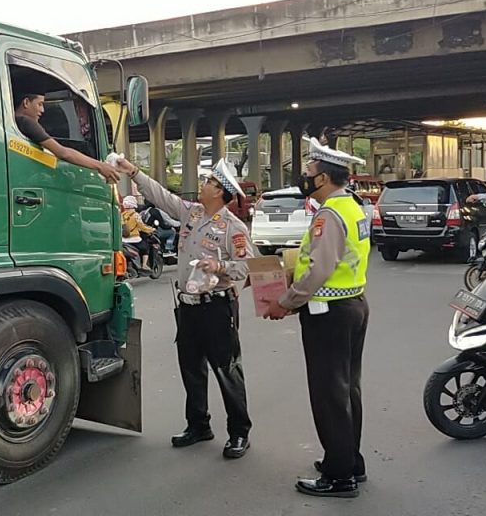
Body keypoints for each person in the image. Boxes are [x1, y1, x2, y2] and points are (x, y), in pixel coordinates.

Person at [113, 156, 254, 459]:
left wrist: (218, 266)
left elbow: (246, 268)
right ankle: (198, 424)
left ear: (220, 191)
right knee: (191, 367)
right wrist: (134, 172)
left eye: (209, 182)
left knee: (227, 370)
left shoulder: (233, 227)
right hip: (188, 305)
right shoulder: (191, 214)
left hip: (217, 307)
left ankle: (239, 432)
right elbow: (161, 196)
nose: (202, 185)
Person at [261, 137, 370, 499]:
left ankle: (340, 477)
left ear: (323, 178)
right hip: (352, 304)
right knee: (347, 388)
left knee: (329, 394)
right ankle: (349, 461)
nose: (304, 178)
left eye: (308, 172)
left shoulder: (329, 214)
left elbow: (318, 270)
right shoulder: (354, 206)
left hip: (329, 313)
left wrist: (286, 302)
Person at [13, 91, 120, 183]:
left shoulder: (15, 123)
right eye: (40, 104)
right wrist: (100, 166)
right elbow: (63, 153)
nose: (43, 110)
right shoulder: (25, 122)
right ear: (26, 102)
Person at [121, 195, 156, 273]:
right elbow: (142, 227)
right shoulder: (136, 215)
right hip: (134, 239)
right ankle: (144, 265)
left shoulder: (121, 215)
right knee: (146, 247)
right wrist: (151, 230)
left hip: (123, 240)